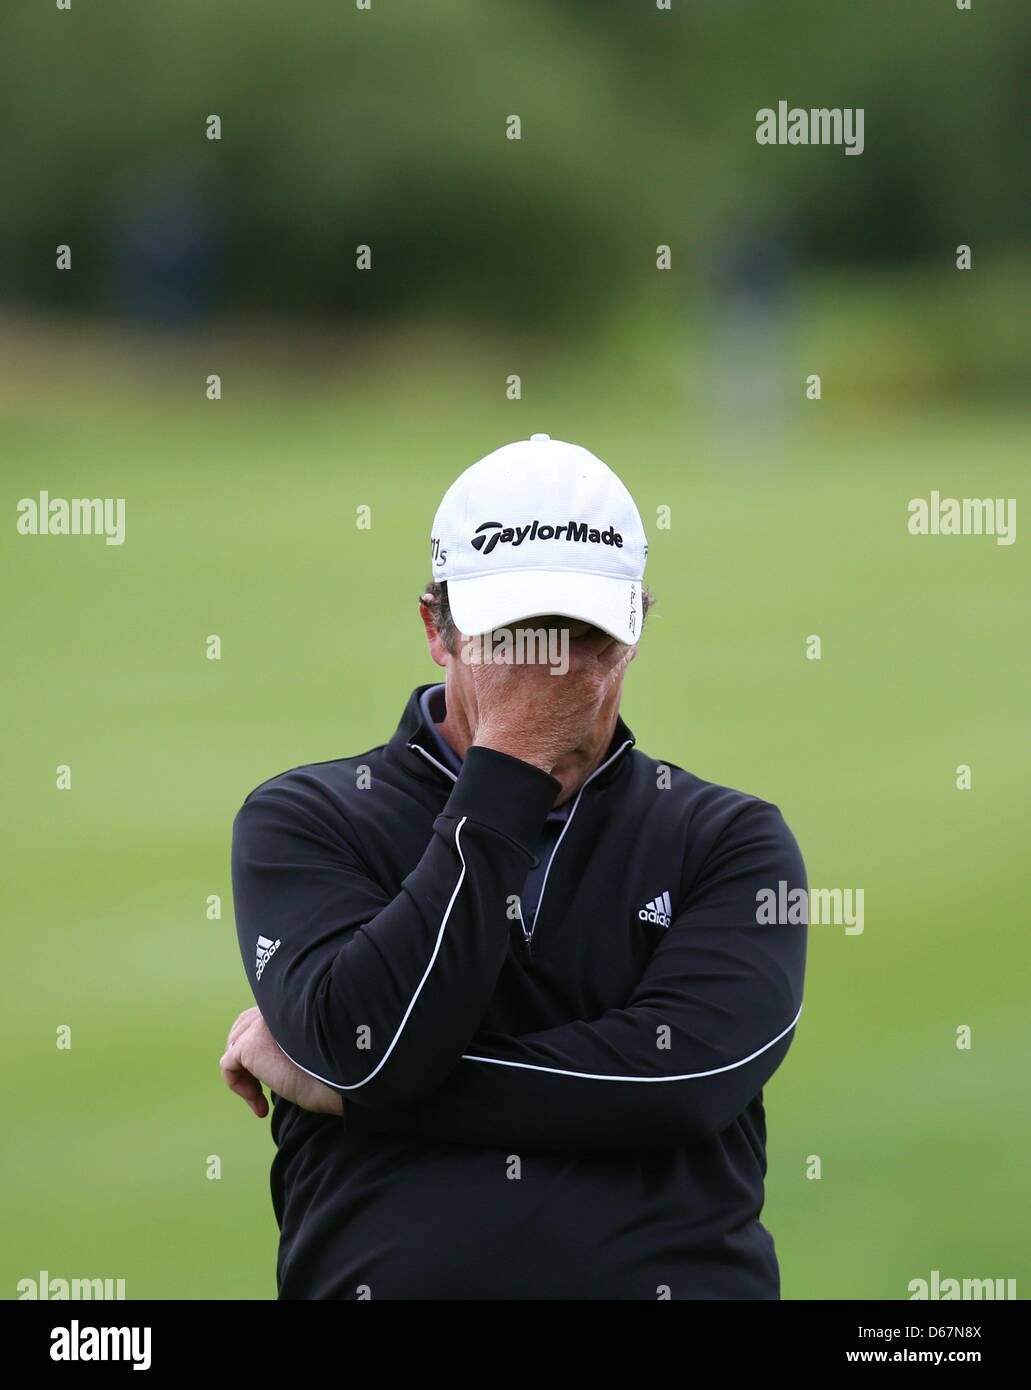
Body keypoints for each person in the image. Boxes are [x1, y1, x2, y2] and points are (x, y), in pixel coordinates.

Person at [221, 433, 808, 1300]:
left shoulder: (730, 840)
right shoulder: (308, 819)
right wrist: (510, 768)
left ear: (636, 625)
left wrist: (343, 1088)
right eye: (516, 637)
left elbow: (677, 1086)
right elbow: (373, 1047)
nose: (552, 672)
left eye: (583, 634)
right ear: (437, 629)